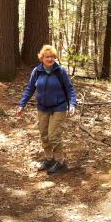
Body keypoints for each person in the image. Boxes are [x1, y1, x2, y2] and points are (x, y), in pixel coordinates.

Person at [17, 44, 77, 174]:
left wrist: (72, 104)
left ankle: (60, 162)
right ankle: (49, 158)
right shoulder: (37, 71)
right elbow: (29, 89)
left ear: (55, 58)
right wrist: (22, 104)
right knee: (44, 135)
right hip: (42, 108)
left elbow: (70, 88)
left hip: (59, 107)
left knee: (53, 135)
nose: (49, 59)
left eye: (52, 57)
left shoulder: (60, 71)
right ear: (42, 58)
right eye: (47, 57)